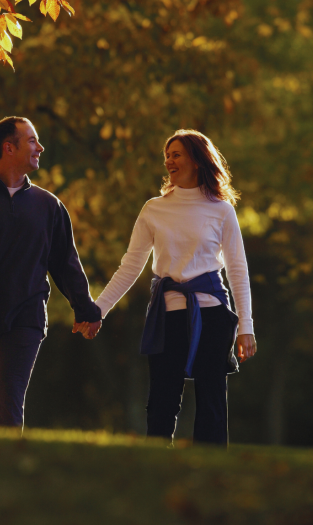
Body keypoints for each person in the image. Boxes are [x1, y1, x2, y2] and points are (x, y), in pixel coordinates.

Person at [75, 129, 257, 446]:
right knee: (161, 400)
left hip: (212, 314)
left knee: (212, 399)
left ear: (197, 161)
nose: (169, 161)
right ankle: (154, 466)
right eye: (167, 155)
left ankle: (210, 471)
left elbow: (237, 269)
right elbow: (131, 265)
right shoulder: (154, 209)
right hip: (166, 315)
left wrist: (246, 326)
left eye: (176, 154)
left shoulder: (221, 210)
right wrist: (97, 311)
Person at [0, 116, 102, 428]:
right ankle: (0, 465)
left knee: (9, 399)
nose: (40, 147)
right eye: (32, 141)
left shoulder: (49, 206)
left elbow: (66, 263)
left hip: (27, 316)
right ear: (8, 147)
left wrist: (86, 309)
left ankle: (11, 466)